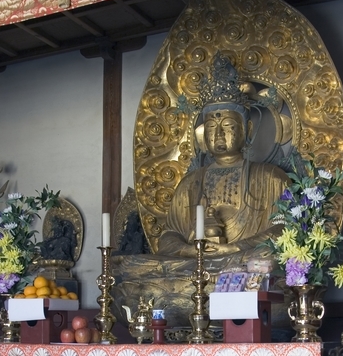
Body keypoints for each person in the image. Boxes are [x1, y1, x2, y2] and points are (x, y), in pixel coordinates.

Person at [112, 53, 290, 325]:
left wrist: (233, 249)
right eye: (211, 127)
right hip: (194, 266)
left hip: (243, 262)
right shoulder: (190, 183)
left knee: (269, 261)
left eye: (228, 125)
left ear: (247, 129)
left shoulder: (271, 177)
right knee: (132, 265)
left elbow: (283, 231)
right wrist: (191, 251)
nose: (218, 134)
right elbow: (169, 236)